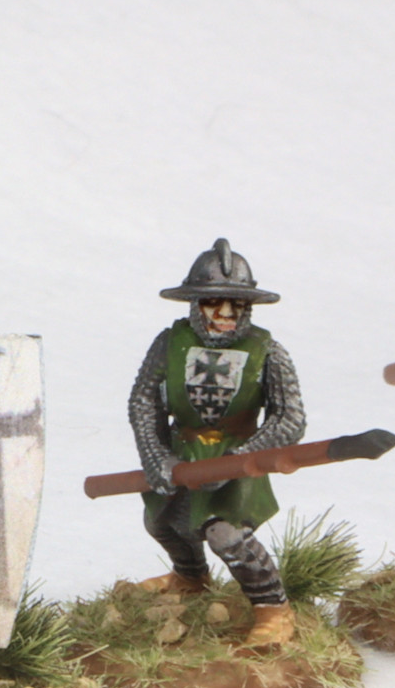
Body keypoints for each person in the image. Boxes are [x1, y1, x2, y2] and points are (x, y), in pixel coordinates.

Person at [123, 239, 307, 649]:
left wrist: (241, 459)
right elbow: (144, 401)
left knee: (225, 534)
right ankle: (190, 577)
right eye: (213, 303)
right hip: (182, 455)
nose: (225, 313)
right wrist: (156, 457)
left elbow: (290, 418)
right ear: (195, 303)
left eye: (235, 304)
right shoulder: (168, 344)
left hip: (240, 457)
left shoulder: (269, 352)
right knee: (161, 521)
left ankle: (273, 608)